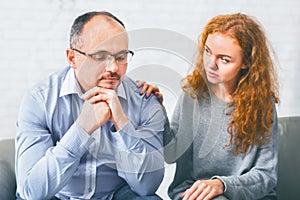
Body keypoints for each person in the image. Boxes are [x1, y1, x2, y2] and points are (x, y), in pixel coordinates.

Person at [15, 11, 165, 200]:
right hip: (59, 195)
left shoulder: (144, 99)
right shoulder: (40, 100)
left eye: (121, 57)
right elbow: (31, 192)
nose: (113, 68)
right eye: (100, 56)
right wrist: (81, 130)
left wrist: (122, 124)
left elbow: (147, 187)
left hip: (116, 195)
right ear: (72, 58)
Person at [140, 13, 280, 200]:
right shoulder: (193, 94)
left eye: (224, 59)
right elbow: (171, 153)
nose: (210, 65)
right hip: (193, 192)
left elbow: (266, 175)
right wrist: (155, 108)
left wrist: (222, 185)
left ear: (246, 63)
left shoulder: (262, 105)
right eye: (207, 51)